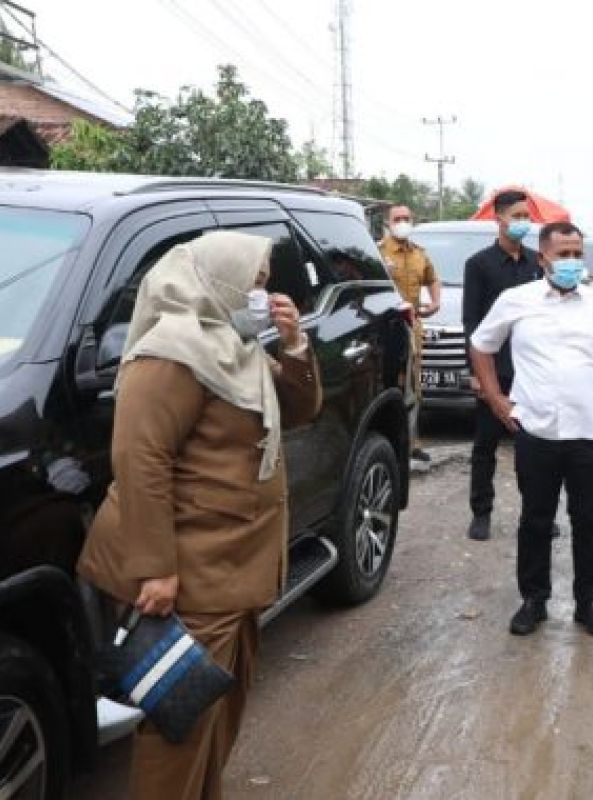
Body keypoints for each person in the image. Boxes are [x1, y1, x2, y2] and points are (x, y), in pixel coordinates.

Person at [77, 231, 322, 800]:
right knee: (178, 724)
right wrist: (155, 569)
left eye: (264, 284)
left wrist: (295, 345)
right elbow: (139, 460)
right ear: (218, 279)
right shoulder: (174, 350)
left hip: (235, 567)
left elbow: (301, 410)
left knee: (218, 708)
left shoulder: (232, 345)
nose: (261, 293)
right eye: (255, 282)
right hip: (187, 572)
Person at [469, 221, 593, 636]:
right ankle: (534, 600)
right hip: (538, 431)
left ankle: (588, 603)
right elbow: (481, 344)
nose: (572, 262)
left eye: (577, 254)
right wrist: (496, 398)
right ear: (542, 257)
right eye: (563, 254)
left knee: (589, 520)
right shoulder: (516, 300)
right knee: (536, 519)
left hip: (592, 431)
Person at [461, 189, 543, 541]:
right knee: (485, 447)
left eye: (528, 216)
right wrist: (477, 374)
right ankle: (481, 513)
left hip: (532, 370)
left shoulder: (538, 263)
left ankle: (537, 512)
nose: (523, 222)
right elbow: (471, 322)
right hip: (493, 370)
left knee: (536, 447)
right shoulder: (478, 265)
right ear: (499, 219)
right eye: (517, 216)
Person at [378, 204, 441, 469]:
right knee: (388, 383)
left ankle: (411, 443)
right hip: (384, 328)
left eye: (406, 218)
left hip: (413, 326)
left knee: (414, 386)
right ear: (387, 222)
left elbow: (433, 279)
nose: (402, 222)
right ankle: (387, 442)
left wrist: (435, 302)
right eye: (397, 219)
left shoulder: (419, 254)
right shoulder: (378, 252)